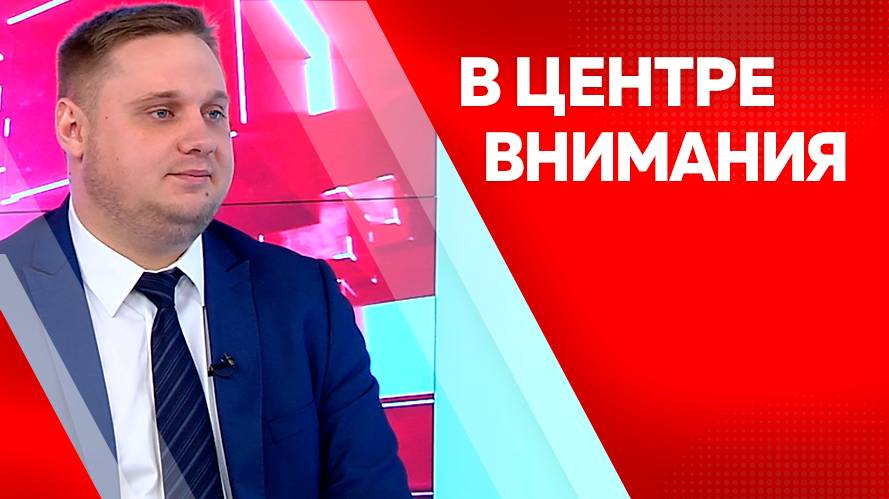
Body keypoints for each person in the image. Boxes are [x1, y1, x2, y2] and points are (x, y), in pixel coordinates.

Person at [0, 3, 411, 498]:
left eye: (213, 113)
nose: (202, 139)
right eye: (162, 112)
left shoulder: (302, 297)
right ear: (74, 128)